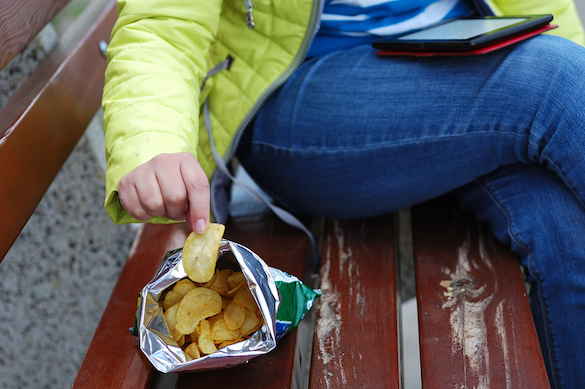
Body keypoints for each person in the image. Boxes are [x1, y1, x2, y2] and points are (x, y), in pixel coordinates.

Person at [101, 0, 585, 387]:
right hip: (306, 101)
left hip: (473, 66)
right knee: (553, 76)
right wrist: (155, 143)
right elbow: (163, 23)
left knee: (565, 228)